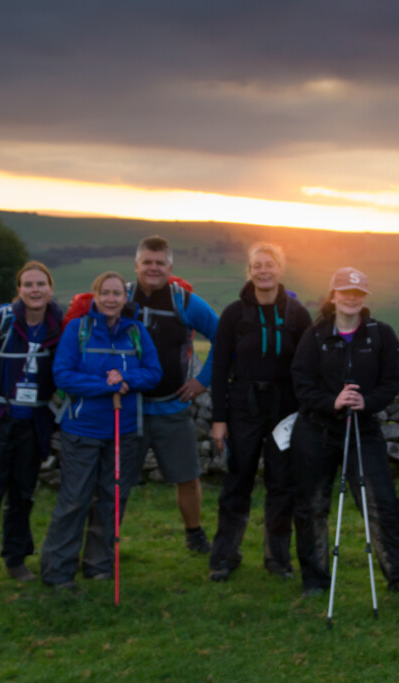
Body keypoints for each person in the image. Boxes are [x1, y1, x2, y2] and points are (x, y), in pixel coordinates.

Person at [290, 267, 399, 599]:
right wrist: (332, 401)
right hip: (316, 429)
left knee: (383, 504)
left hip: (363, 429)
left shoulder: (381, 334)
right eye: (344, 292)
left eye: (358, 293)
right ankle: (315, 581)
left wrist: (368, 402)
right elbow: (301, 384)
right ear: (332, 296)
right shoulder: (315, 334)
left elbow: (393, 382)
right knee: (311, 505)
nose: (351, 298)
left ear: (364, 298)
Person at [84, 235, 218, 560]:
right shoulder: (117, 296)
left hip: (172, 406)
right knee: (116, 480)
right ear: (136, 265)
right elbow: (89, 338)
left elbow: (222, 336)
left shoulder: (184, 302)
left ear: (170, 266)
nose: (153, 268)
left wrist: (202, 381)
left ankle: (194, 534)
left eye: (160, 263)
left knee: (187, 475)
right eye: (147, 262)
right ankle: (105, 545)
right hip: (126, 407)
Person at [40, 271, 162, 589]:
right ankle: (58, 570)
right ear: (95, 297)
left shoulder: (136, 333)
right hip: (82, 428)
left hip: (125, 430)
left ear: (125, 299)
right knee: (75, 499)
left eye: (117, 294)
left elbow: (153, 373)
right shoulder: (77, 331)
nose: (110, 299)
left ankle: (98, 564)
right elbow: (63, 376)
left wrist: (125, 380)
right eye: (105, 293)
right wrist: (103, 386)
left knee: (112, 498)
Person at [207, 242, 312, 582]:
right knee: (237, 481)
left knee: (282, 485)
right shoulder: (234, 314)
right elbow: (220, 368)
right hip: (243, 407)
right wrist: (219, 420)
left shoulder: (297, 314)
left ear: (280, 270)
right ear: (249, 271)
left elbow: (308, 366)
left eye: (270, 264)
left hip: (285, 410)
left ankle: (278, 559)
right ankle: (224, 557)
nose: (264, 270)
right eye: (257, 265)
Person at [0, 261, 63, 598]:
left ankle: (16, 559)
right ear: (19, 290)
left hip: (33, 423)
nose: (35, 290)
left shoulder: (59, 325)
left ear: (50, 289)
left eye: (41, 284)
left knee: (23, 495)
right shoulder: (1, 322)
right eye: (28, 284)